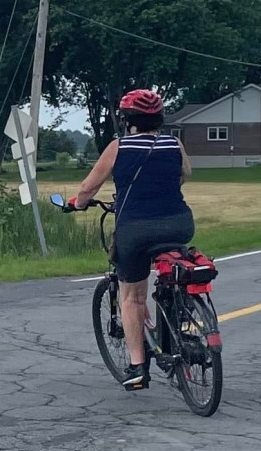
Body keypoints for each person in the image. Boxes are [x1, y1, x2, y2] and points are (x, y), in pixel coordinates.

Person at [70, 89, 194, 390]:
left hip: (136, 229)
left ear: (127, 120)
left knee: (133, 295)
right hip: (179, 224)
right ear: (159, 118)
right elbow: (185, 174)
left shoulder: (119, 147)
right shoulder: (173, 143)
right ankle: (179, 318)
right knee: (173, 271)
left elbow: (89, 187)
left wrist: (78, 203)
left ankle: (138, 367)